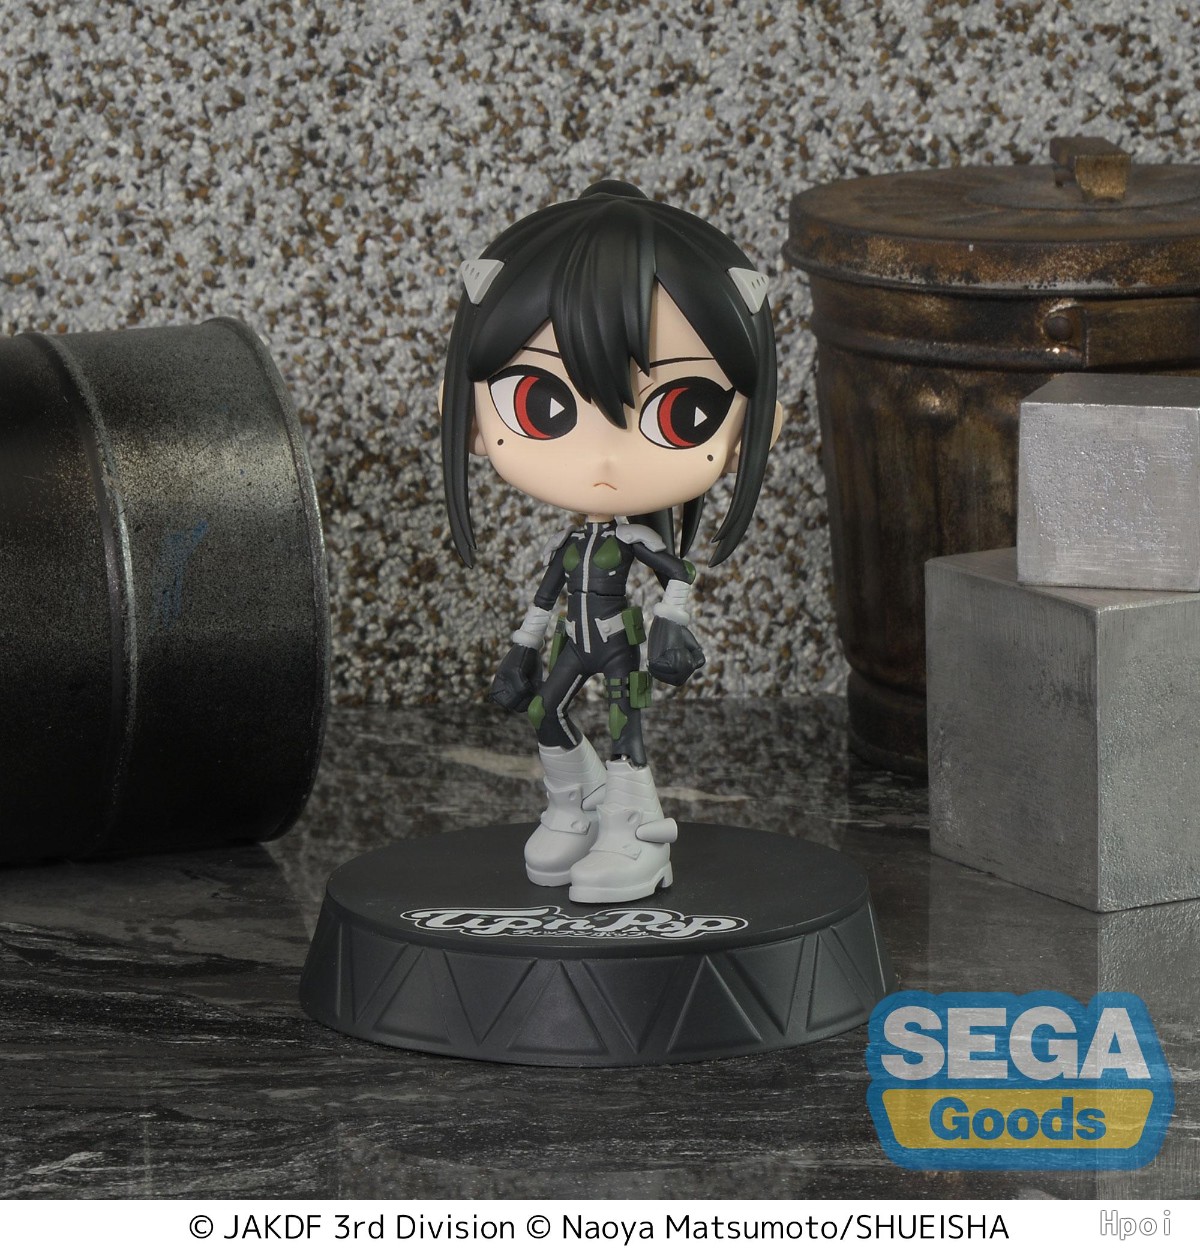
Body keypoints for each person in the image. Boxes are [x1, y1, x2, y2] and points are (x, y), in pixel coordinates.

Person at [441, 180, 781, 902]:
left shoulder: (629, 542)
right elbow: (545, 596)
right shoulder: (575, 546)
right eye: (539, 403)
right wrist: (524, 645)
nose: (604, 458)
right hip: (574, 640)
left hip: (621, 643)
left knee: (628, 731)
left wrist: (673, 621)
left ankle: (635, 831)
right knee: (546, 712)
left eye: (684, 411)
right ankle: (574, 805)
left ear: (756, 428)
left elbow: (677, 571)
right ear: (470, 417)